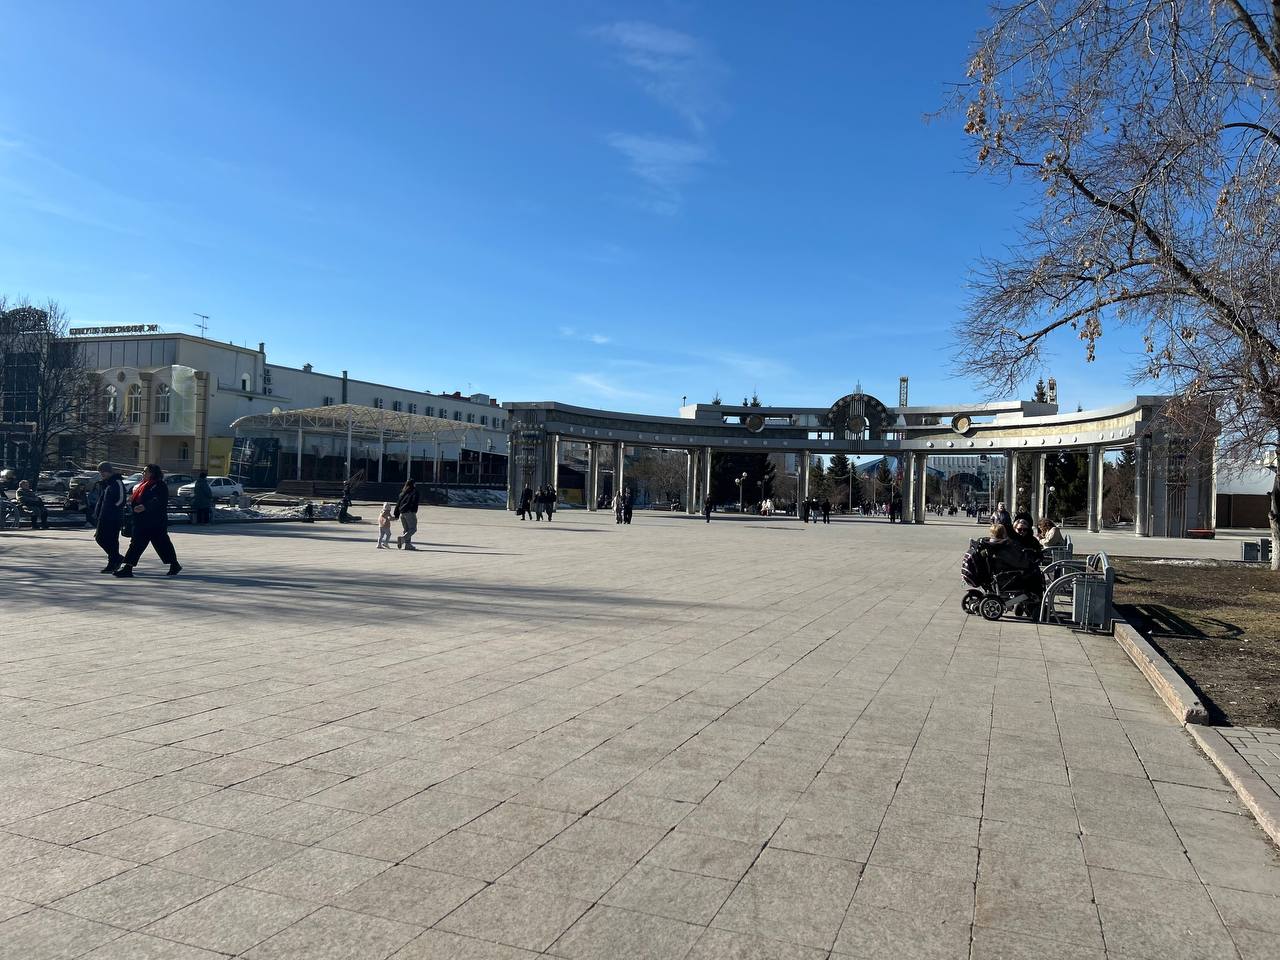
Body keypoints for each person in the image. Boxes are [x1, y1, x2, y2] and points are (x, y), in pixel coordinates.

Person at [114, 464, 180, 577]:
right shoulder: (144, 485)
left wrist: (145, 506)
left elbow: (159, 501)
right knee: (136, 544)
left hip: (155, 522)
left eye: (145, 471)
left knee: (162, 544)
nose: (143, 473)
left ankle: (174, 564)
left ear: (152, 473)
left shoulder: (160, 485)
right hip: (142, 521)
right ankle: (128, 568)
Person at [90, 461, 126, 573]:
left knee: (112, 540)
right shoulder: (107, 484)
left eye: (103, 471)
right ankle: (117, 558)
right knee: (100, 538)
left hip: (113, 517)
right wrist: (98, 513)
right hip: (103, 517)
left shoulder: (117, 482)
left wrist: (112, 509)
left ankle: (113, 562)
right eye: (100, 472)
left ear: (109, 471)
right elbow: (102, 501)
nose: (102, 474)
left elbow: (121, 500)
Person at [394, 478, 419, 550]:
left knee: (406, 529)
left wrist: (396, 514)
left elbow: (398, 503)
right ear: (414, 484)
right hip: (409, 512)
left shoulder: (403, 492)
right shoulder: (414, 492)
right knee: (413, 529)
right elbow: (414, 501)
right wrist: (413, 510)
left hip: (402, 513)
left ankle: (408, 545)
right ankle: (403, 539)